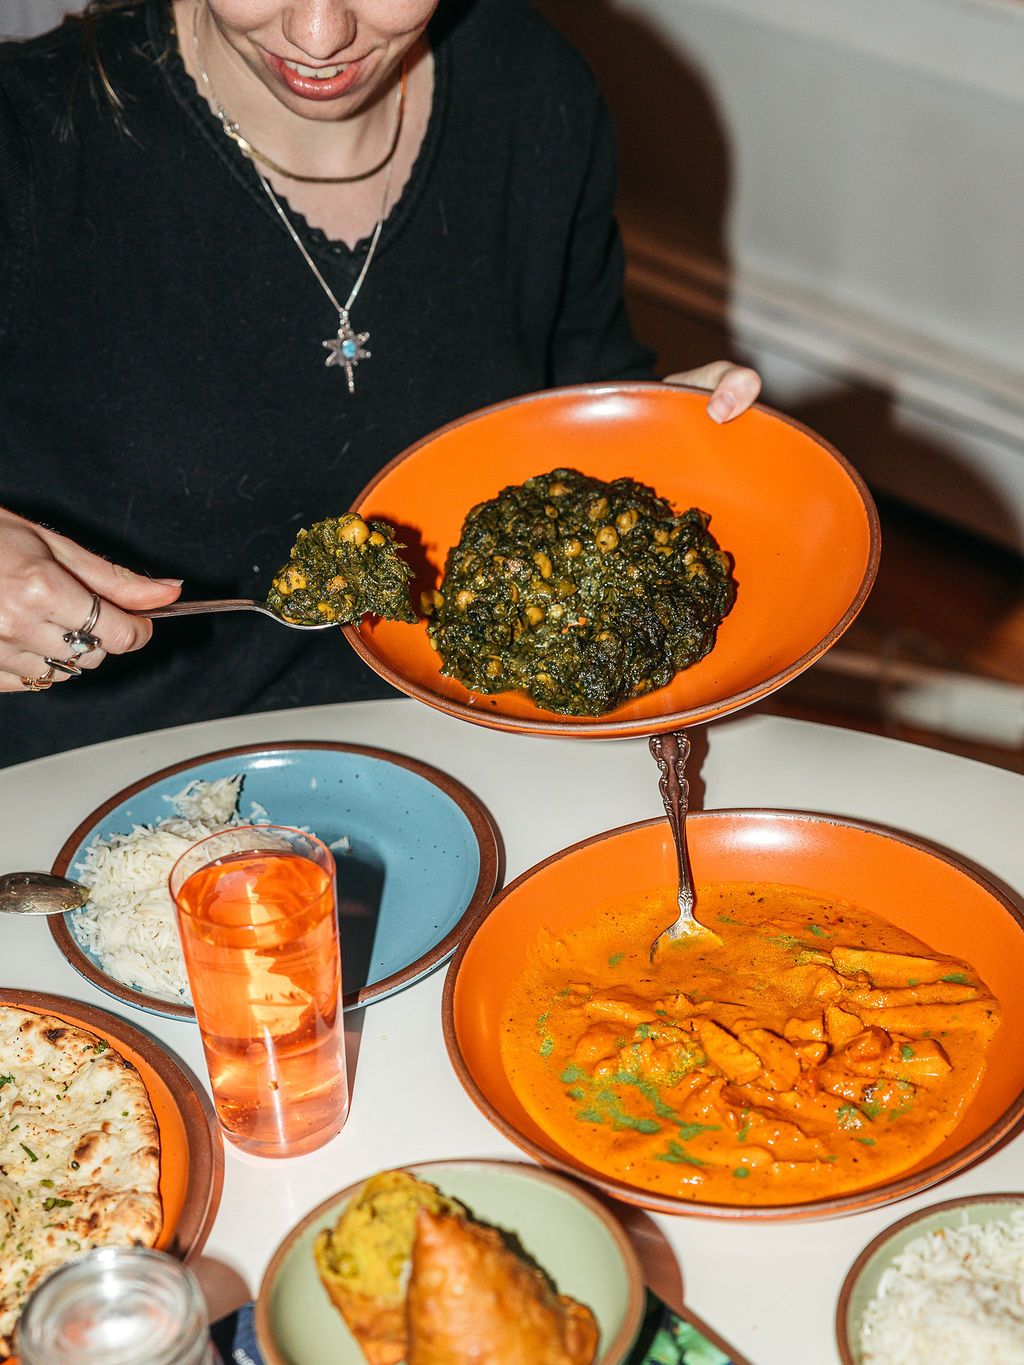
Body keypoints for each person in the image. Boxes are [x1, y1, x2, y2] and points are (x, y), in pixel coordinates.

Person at [0, 0, 760, 766]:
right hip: (106, 787)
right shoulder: (26, 136)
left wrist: (665, 425)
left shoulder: (533, 90)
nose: (320, 34)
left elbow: (582, 393)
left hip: (470, 741)